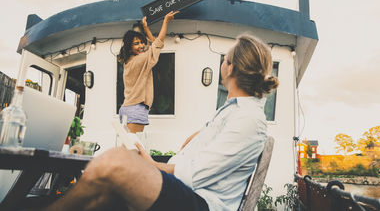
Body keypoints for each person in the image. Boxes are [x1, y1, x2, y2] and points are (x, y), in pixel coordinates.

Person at [45, 34, 279, 211]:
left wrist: (150, 164)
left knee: (116, 161)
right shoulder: (231, 113)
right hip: (190, 191)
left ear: (232, 68)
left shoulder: (247, 119)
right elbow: (195, 153)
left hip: (202, 202)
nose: (222, 64)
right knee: (107, 190)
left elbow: (194, 175)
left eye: (224, 59)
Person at [118, 11, 179, 133]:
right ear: (129, 47)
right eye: (136, 43)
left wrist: (146, 28)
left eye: (141, 42)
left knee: (128, 145)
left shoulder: (129, 61)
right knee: (133, 147)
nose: (141, 46)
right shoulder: (140, 60)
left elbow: (152, 43)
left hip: (127, 108)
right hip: (136, 108)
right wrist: (166, 21)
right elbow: (158, 43)